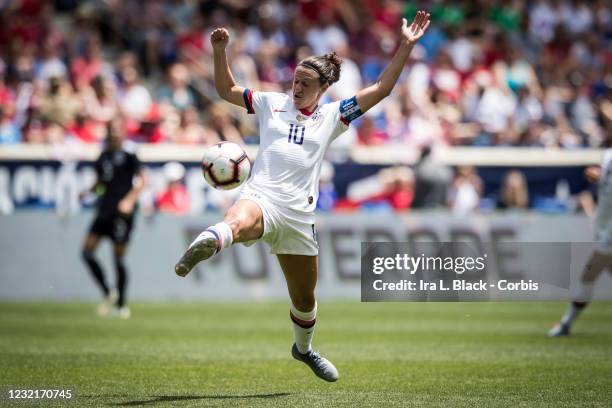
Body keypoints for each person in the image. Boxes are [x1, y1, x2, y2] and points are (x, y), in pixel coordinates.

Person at [175, 11, 431, 381]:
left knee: (305, 300)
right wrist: (219, 51)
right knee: (238, 220)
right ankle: (206, 243)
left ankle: (304, 349)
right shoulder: (270, 103)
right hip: (261, 196)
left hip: (298, 217)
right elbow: (226, 90)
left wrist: (405, 46)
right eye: (295, 80)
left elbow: (382, 89)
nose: (296, 88)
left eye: (305, 84)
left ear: (322, 89)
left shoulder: (333, 117)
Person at [80, 117, 146, 319]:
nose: (114, 133)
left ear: (123, 132)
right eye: (111, 130)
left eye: (118, 129)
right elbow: (101, 181)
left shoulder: (129, 154)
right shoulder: (103, 156)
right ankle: (108, 292)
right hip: (104, 210)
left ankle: (121, 303)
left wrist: (129, 200)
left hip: (122, 213)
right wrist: (88, 191)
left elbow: (142, 180)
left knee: (118, 257)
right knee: (87, 252)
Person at [549, 149, 612, 336]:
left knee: (588, 276)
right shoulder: (608, 155)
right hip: (603, 227)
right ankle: (565, 325)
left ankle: (565, 325)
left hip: (609, 232)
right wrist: (598, 175)